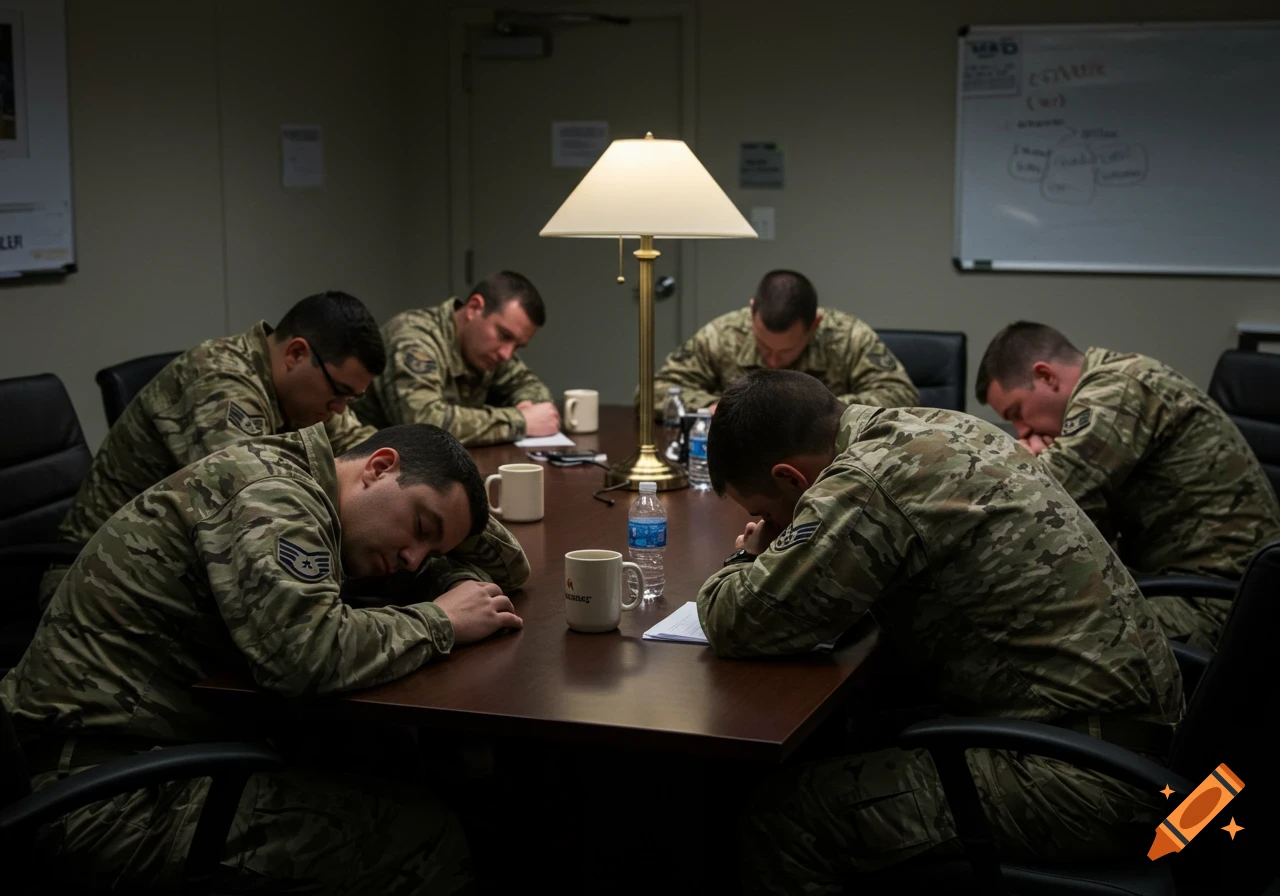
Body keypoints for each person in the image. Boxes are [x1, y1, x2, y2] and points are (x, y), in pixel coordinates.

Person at [697, 370, 1183, 894]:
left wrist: (746, 555)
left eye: (767, 514)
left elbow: (738, 620)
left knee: (782, 821)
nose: (771, 525)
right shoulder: (941, 426)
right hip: (1151, 747)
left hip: (1091, 781)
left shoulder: (869, 479)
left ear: (791, 479)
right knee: (853, 731)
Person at [2, 422, 528, 893]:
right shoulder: (276, 497)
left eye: (433, 549)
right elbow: (306, 654)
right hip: (101, 796)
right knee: (428, 836)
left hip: (145, 750)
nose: (413, 560)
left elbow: (513, 570)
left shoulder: (314, 484)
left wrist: (455, 541)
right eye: (420, 526)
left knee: (389, 758)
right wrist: (442, 621)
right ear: (379, 466)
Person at [39, 290, 388, 606]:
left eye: (352, 398)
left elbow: (364, 449)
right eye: (339, 392)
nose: (342, 408)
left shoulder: (310, 396)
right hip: (100, 580)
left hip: (173, 568)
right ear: (296, 353)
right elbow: (257, 505)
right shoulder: (219, 383)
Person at [975, 321, 1280, 651]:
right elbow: (1086, 524)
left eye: (1018, 412)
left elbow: (1036, 507)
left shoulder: (1116, 388)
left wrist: (1033, 461)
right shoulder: (1113, 382)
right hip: (1175, 582)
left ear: (1046, 376)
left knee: (1032, 635)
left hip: (1219, 602)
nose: (1023, 431)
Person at [650, 269, 918, 415]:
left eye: (787, 350)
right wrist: (714, 407)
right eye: (765, 348)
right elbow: (655, 391)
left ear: (814, 324)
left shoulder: (848, 337)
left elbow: (902, 396)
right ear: (752, 311)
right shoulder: (723, 334)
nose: (773, 361)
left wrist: (817, 409)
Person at [356, 271, 560, 446]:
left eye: (517, 346)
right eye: (504, 335)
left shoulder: (489, 351)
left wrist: (527, 404)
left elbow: (533, 389)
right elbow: (424, 424)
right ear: (473, 308)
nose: (507, 354)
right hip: (377, 472)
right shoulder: (415, 339)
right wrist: (519, 421)